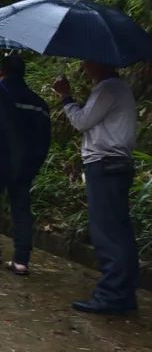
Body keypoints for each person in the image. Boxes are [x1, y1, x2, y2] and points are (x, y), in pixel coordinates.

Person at [53, 60, 139, 315]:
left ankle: (111, 296)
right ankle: (123, 294)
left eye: (88, 61)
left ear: (101, 63)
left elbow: (81, 122)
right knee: (119, 230)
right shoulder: (118, 88)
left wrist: (66, 97)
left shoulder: (108, 88)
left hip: (105, 163)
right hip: (115, 164)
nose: (85, 66)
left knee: (108, 232)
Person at [0, 54, 51, 275]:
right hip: (25, 165)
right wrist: (34, 165)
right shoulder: (38, 104)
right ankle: (21, 260)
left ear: (1, 72)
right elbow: (44, 138)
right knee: (21, 209)